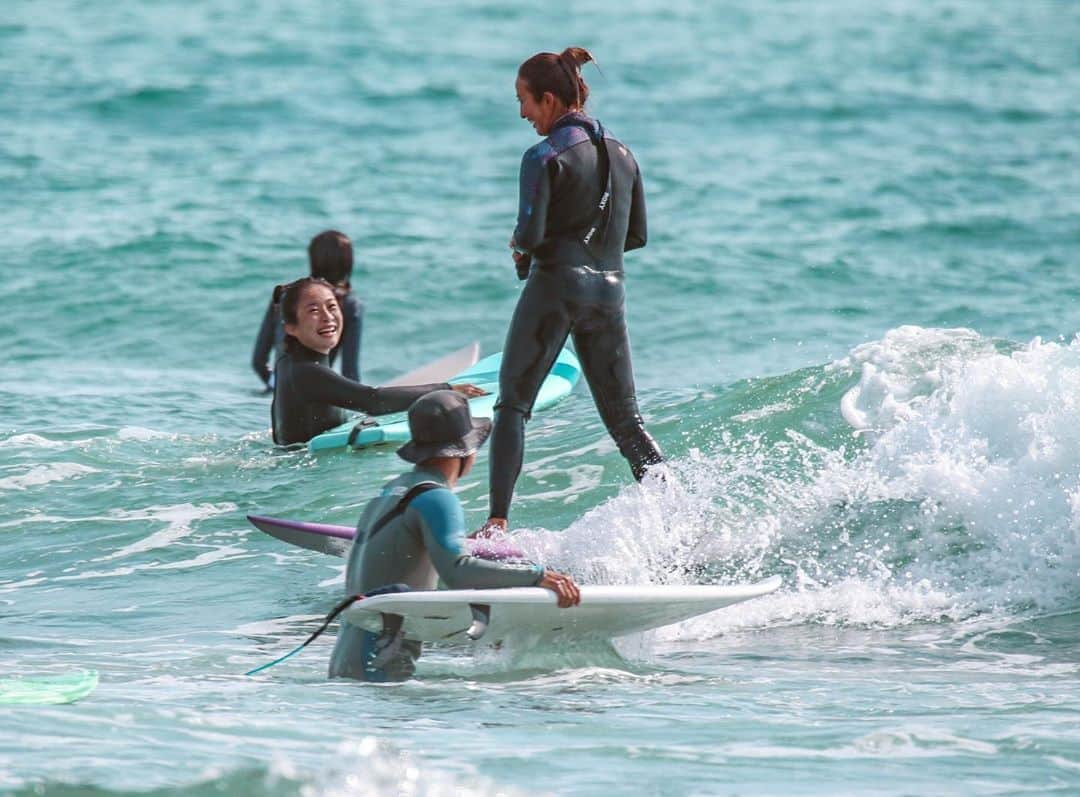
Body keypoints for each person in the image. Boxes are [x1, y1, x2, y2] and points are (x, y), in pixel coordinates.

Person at [480, 47, 664, 536]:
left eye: (524, 101)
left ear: (547, 99)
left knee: (513, 406)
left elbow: (531, 235)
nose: (522, 113)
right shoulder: (623, 154)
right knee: (627, 422)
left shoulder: (542, 156)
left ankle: (497, 524)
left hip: (556, 288)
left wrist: (521, 249)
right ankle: (677, 514)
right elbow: (637, 236)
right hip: (610, 293)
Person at [328, 390, 581, 682]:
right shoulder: (436, 497)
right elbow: (458, 571)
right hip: (380, 667)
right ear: (465, 449)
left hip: (348, 660)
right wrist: (537, 576)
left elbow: (414, 574)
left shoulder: (392, 491)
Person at [271, 278, 484, 445]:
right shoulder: (306, 373)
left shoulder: (287, 363)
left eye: (331, 306)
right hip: (308, 475)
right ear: (291, 328)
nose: (328, 317)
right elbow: (373, 401)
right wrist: (445, 390)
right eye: (314, 311)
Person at [252, 230, 365, 391]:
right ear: (348, 262)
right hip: (314, 395)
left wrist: (276, 387)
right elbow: (350, 373)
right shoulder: (349, 304)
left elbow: (258, 362)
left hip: (277, 395)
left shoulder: (286, 295)